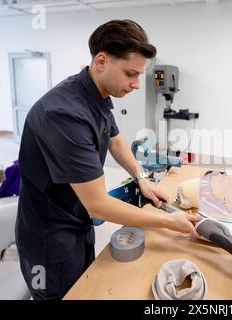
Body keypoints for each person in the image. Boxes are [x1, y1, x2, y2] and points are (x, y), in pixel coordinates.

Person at [15, 19, 201, 300]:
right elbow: (99, 205)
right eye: (130, 74)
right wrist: (168, 222)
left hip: (76, 221)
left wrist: (141, 178)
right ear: (101, 60)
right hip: (50, 238)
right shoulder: (64, 114)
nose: (137, 85)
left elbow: (114, 139)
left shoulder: (96, 94)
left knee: (86, 287)